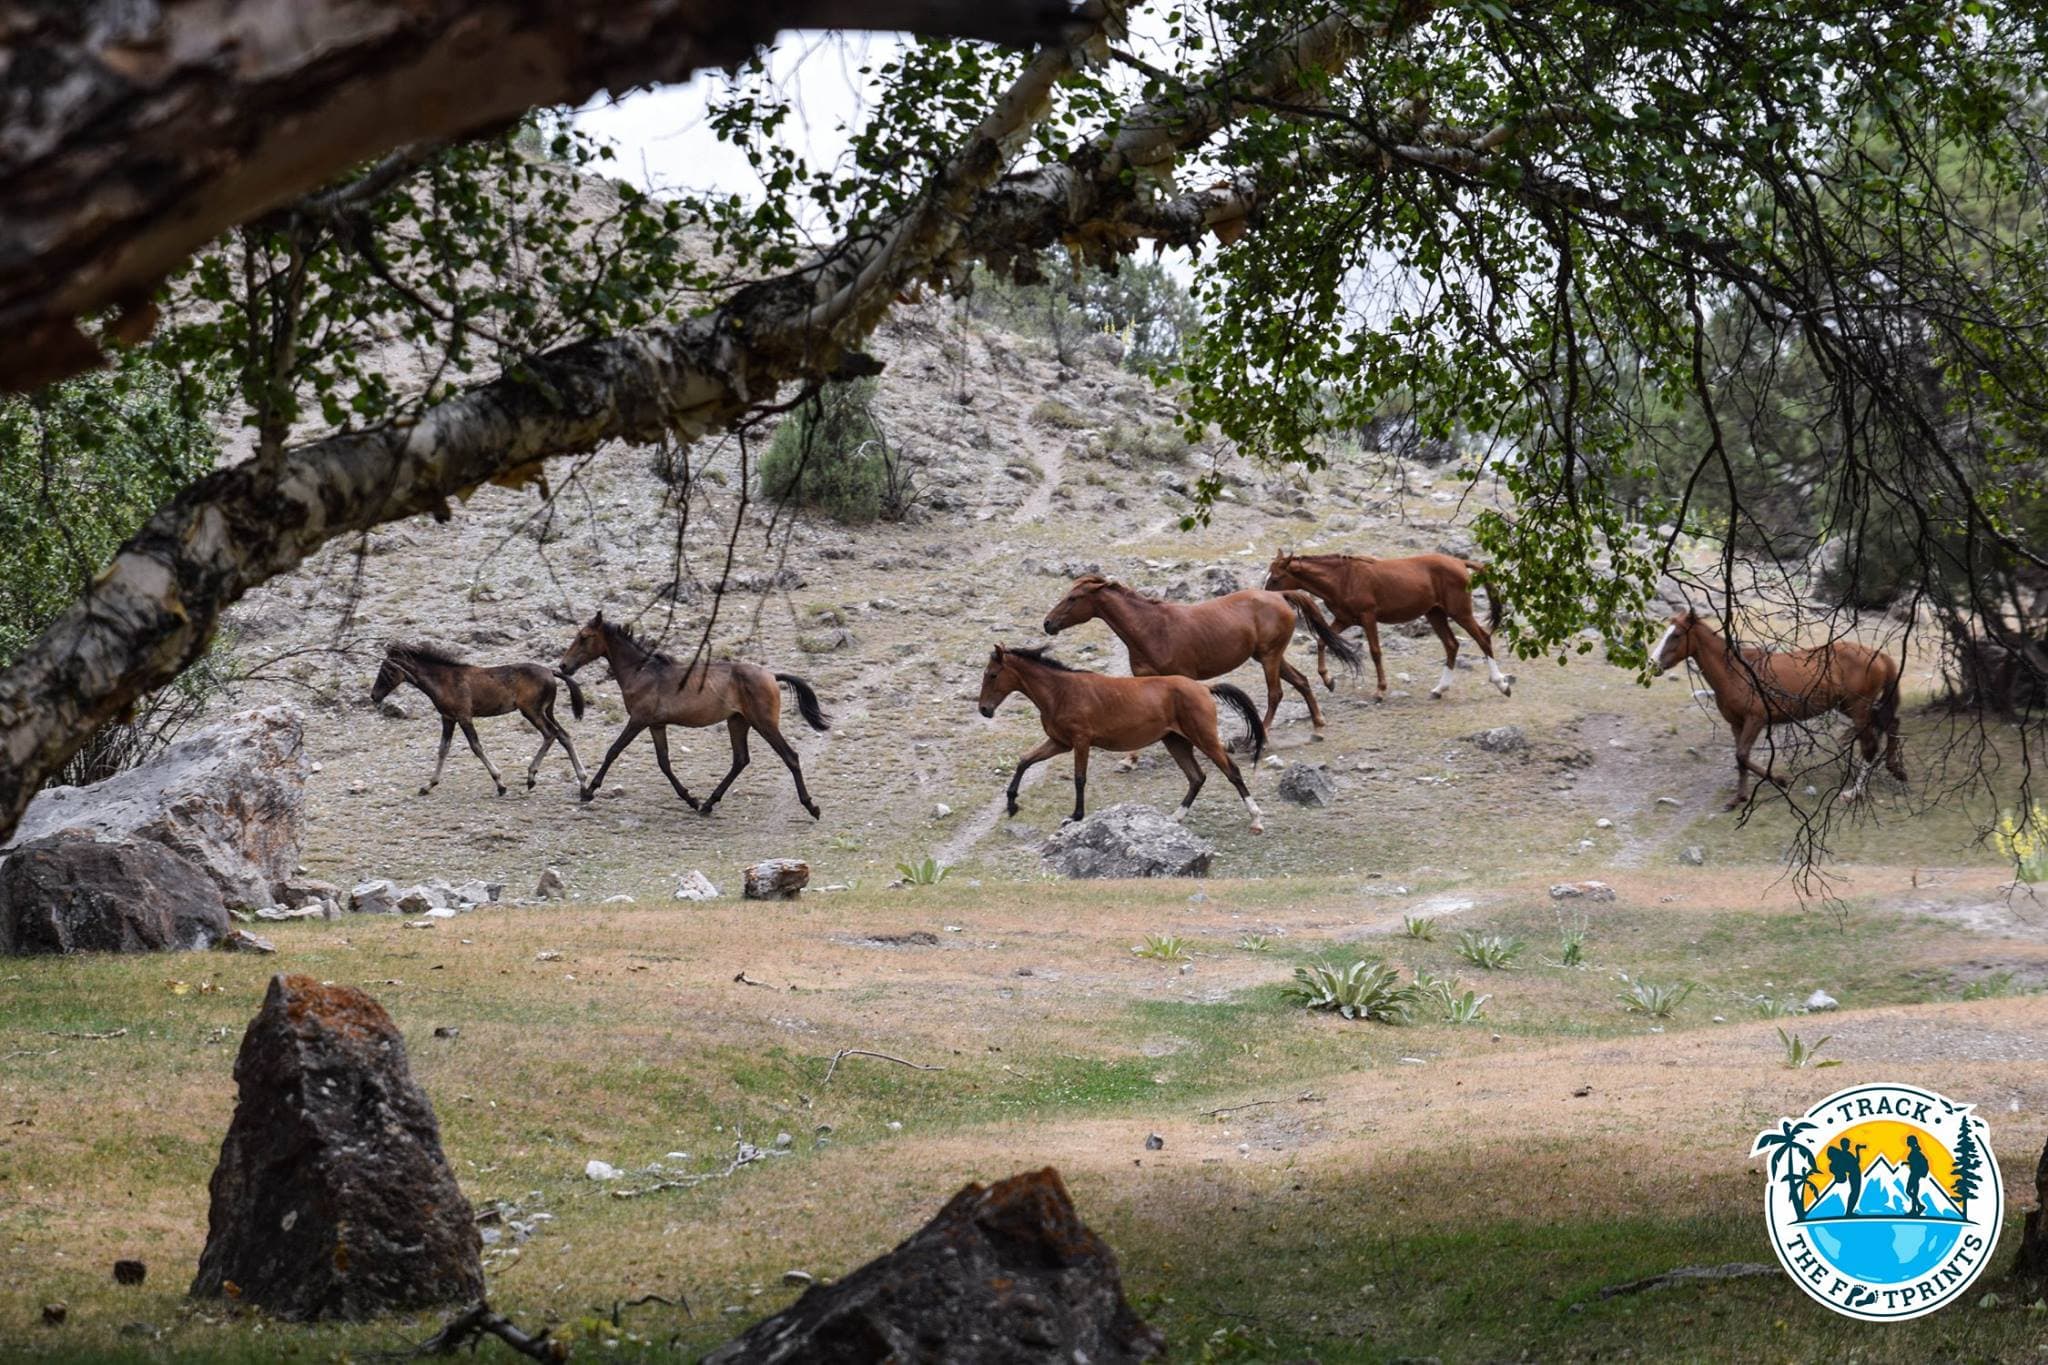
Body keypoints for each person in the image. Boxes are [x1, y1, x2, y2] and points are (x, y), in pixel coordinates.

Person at [1825, 1137, 1864, 1216]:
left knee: (1854, 1193)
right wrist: (1857, 1150)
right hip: (1854, 1174)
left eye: (1848, 1144)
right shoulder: (1845, 1154)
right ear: (1844, 1145)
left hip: (1854, 1174)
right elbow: (1856, 1162)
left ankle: (1849, 1211)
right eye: (1847, 1144)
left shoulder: (1844, 1154)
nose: (1849, 1145)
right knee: (1855, 1193)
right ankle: (1849, 1212)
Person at [1904, 1135, 1930, 1217]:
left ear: (1911, 1142)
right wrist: (1906, 1163)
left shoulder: (1915, 1152)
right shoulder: (1915, 1151)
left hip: (1914, 1174)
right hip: (1915, 1174)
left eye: (1908, 1141)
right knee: (1913, 1192)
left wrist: (1909, 1164)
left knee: (1909, 1191)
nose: (1907, 1142)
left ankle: (1916, 1208)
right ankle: (1917, 1208)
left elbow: (1915, 1163)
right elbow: (1914, 1162)